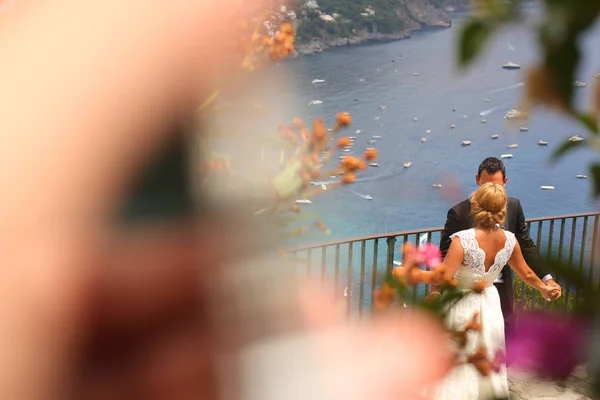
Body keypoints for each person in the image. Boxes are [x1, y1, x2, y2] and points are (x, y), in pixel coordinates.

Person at [393, 183, 560, 399]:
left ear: (476, 206)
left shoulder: (463, 240)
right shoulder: (510, 240)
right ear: (502, 209)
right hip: (491, 306)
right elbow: (526, 274)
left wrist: (409, 274)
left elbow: (442, 277)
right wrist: (545, 288)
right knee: (488, 359)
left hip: (462, 305)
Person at [438, 157, 561, 340]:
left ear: (505, 182)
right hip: (467, 292)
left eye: (496, 186)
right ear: (477, 179)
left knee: (505, 334)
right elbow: (445, 256)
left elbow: (525, 245)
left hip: (501, 289)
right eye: (485, 185)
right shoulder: (459, 212)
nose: (491, 191)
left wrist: (547, 279)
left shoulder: (513, 206)